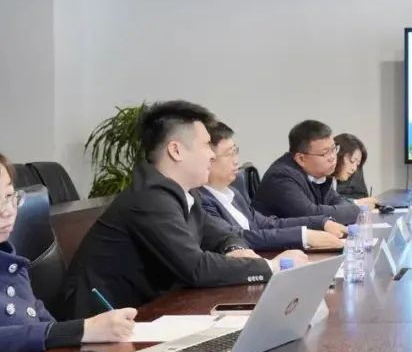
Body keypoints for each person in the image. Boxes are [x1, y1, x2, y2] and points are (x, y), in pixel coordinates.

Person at [59, 101, 307, 318]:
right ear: (176, 150)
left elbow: (219, 234)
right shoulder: (150, 198)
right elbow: (196, 268)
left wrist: (235, 249)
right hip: (101, 320)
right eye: (207, 145)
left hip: (146, 310)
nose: (212, 155)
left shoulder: (184, 191)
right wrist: (271, 267)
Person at [0, 145, 136, 352]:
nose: (8, 211)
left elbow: (44, 324)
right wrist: (81, 330)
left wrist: (89, 334)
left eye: (11, 196)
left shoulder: (7, 261)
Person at [198, 122, 347, 251]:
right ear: (208, 158)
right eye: (229, 154)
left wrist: (321, 222)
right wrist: (304, 236)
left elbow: (267, 224)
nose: (236, 160)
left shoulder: (233, 193)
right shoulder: (200, 201)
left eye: (235, 151)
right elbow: (238, 237)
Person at [254, 120, 375, 224]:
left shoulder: (319, 174)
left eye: (334, 149)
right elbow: (310, 214)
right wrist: (358, 210)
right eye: (325, 153)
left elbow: (336, 200)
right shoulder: (281, 177)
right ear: (301, 159)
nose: (333, 157)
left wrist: (351, 209)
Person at [333, 133, 371, 199]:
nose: (354, 168)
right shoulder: (320, 178)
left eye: (357, 164)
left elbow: (363, 196)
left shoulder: (356, 171)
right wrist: (356, 202)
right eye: (352, 161)